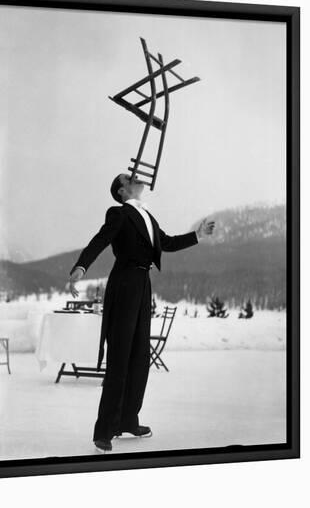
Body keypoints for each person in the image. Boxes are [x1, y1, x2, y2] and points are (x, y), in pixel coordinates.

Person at [69, 173, 215, 453]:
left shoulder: (148, 216)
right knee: (120, 356)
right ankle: (104, 431)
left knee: (138, 357)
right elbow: (99, 240)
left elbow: (168, 243)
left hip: (142, 284)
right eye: (130, 178)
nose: (137, 178)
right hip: (123, 283)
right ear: (122, 190)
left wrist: (198, 235)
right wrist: (81, 267)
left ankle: (128, 420)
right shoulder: (119, 213)